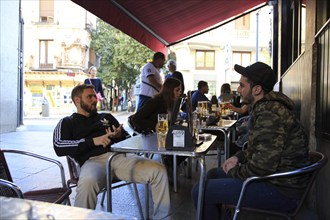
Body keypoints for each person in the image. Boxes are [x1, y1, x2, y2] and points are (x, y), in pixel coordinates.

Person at [191, 62, 310, 220]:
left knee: (200, 191)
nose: (238, 90)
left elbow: (262, 167)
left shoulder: (270, 114)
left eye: (242, 85)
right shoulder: (265, 108)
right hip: (275, 180)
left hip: (281, 190)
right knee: (213, 174)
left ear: (257, 89)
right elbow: (262, 148)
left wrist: (233, 171)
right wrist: (238, 157)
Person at [53, 84, 170, 219]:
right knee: (87, 183)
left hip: (121, 157)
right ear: (77, 100)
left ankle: (163, 218)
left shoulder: (106, 117)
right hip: (93, 162)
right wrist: (93, 141)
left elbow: (128, 138)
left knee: (159, 170)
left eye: (94, 96)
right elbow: (59, 146)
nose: (94, 99)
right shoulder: (67, 122)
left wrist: (119, 136)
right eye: (89, 97)